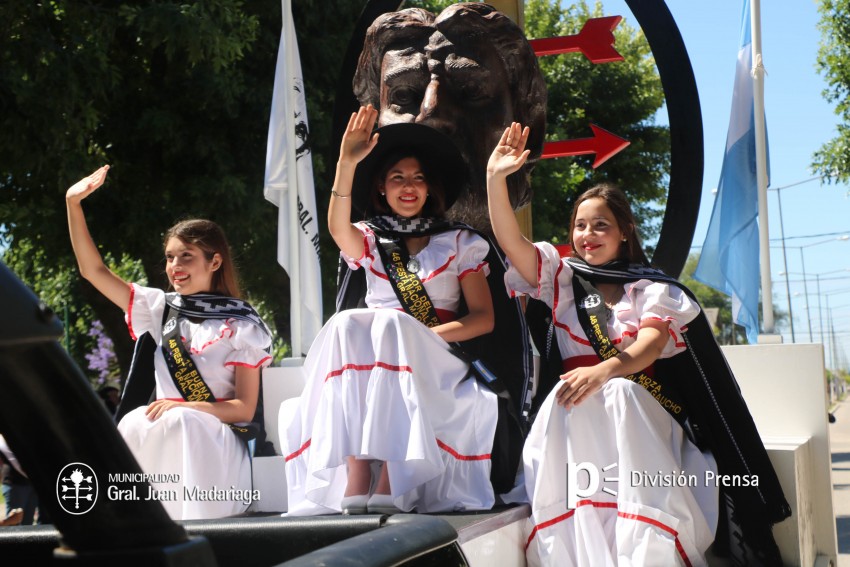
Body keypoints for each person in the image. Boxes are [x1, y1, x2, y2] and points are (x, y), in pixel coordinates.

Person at [487, 124, 790, 566]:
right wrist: (496, 178)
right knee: (578, 401)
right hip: (575, 420)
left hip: (639, 417)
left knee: (619, 392)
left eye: (601, 225)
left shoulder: (650, 289)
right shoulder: (561, 279)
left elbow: (649, 345)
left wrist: (603, 371)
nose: (588, 235)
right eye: (580, 226)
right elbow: (510, 242)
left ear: (625, 231)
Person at [282, 105, 501, 516]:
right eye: (397, 178)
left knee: (392, 327)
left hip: (436, 356)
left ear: (430, 188)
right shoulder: (370, 239)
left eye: (418, 178)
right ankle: (358, 467)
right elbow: (336, 231)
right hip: (374, 350)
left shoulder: (458, 242)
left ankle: (393, 472)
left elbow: (482, 319)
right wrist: (347, 163)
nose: (408, 186)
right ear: (381, 188)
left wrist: (419, 336)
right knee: (347, 323)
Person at [66, 166, 272, 520]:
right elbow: (93, 271)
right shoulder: (157, 307)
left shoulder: (241, 323)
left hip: (215, 440)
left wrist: (185, 408)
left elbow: (242, 409)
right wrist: (73, 204)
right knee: (132, 422)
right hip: (165, 428)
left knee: (182, 424)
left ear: (215, 261)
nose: (174, 266)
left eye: (186, 256)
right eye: (170, 257)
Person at [353, 3, 547, 232]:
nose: (431, 114)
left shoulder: (548, 267)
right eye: (403, 95)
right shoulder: (364, 255)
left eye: (471, 89)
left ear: (530, 128)